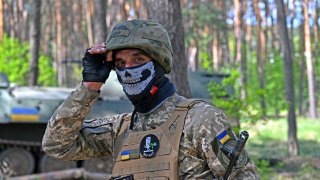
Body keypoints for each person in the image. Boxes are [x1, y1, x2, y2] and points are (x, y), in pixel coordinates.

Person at [42, 19, 260, 179]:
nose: (128, 70)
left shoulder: (200, 120)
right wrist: (89, 87)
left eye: (138, 59)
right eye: (120, 64)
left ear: (158, 62)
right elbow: (56, 145)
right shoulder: (120, 129)